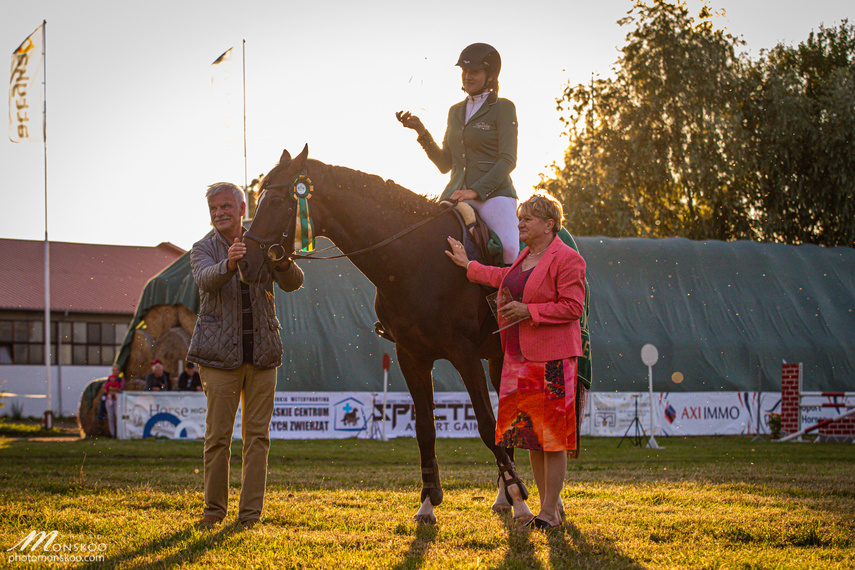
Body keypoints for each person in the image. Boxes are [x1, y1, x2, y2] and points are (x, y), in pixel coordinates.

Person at [445, 193, 586, 530]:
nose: (519, 223)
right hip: (518, 358)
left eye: (527, 219)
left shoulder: (567, 259)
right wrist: (469, 266)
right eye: (520, 218)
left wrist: (528, 311)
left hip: (552, 359)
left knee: (551, 439)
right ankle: (545, 509)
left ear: (549, 224)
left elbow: (572, 307)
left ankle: (550, 513)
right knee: (531, 439)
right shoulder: (525, 256)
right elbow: (502, 277)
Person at [187, 181, 304, 529]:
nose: (219, 213)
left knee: (257, 438)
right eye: (213, 209)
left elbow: (294, 281)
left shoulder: (264, 236)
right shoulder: (202, 248)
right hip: (218, 357)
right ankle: (214, 510)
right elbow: (205, 279)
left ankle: (250, 515)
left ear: (241, 209)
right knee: (217, 438)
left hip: (263, 352)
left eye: (225, 207)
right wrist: (228, 263)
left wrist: (281, 263)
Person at [397, 42, 521, 265]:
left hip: (494, 196)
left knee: (510, 249)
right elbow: (445, 164)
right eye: (464, 71)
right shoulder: (455, 111)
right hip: (454, 192)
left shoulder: (504, 107)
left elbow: (508, 160)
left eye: (474, 72)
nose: (467, 77)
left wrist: (475, 191)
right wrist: (421, 131)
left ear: (490, 75)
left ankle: (506, 299)